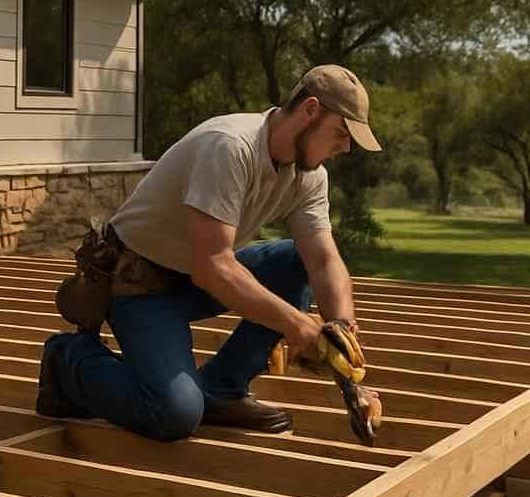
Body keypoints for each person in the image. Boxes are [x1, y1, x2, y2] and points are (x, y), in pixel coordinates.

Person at [38, 64, 382, 441]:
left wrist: (344, 337)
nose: (346, 147)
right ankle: (68, 360)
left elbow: (322, 260)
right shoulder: (231, 146)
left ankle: (223, 389)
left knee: (295, 261)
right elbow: (213, 268)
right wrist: (296, 324)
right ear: (310, 110)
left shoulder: (309, 175)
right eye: (341, 133)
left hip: (193, 278)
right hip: (141, 284)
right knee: (174, 413)